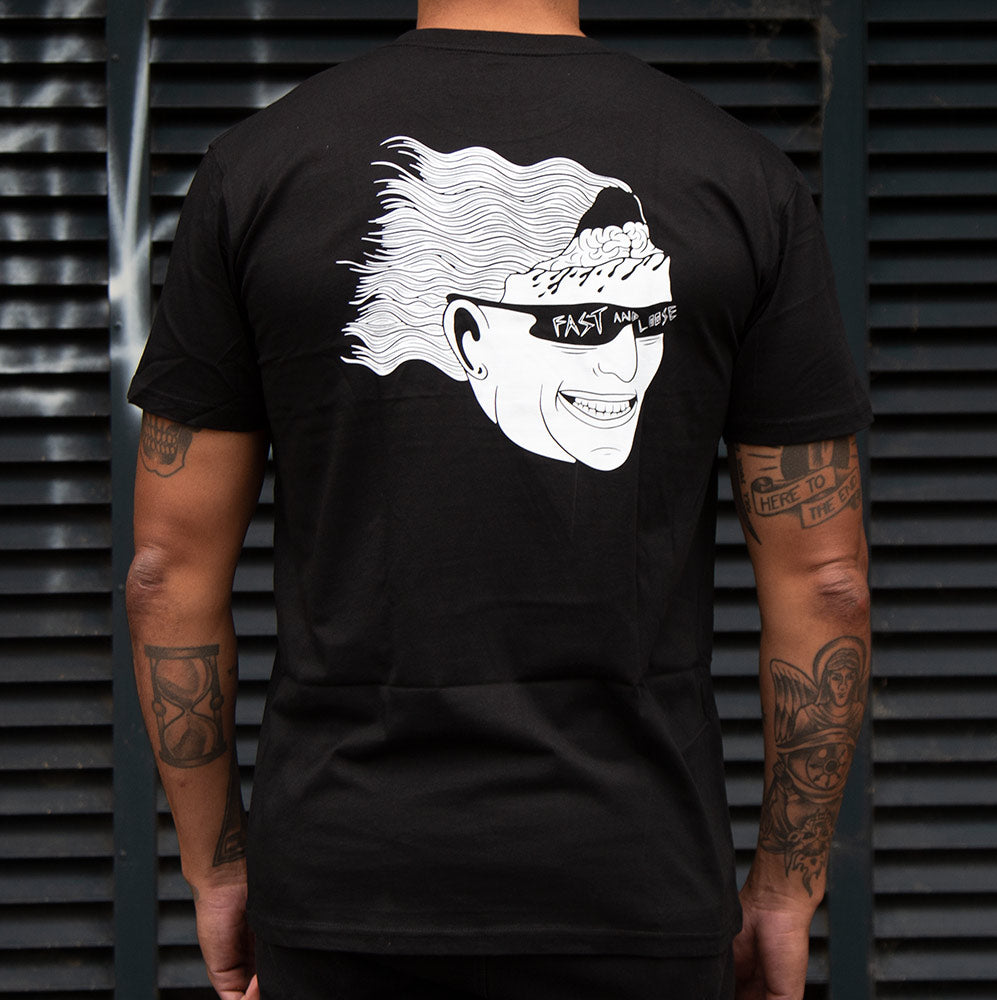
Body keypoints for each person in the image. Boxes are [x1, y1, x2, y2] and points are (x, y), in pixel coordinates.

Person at [125, 2, 872, 998]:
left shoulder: (257, 171)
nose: (626, 364)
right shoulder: (741, 178)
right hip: (639, 892)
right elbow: (827, 585)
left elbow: (165, 575)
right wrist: (787, 885)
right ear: (468, 334)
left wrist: (216, 866)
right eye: (581, 322)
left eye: (648, 318)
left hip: (344, 892)